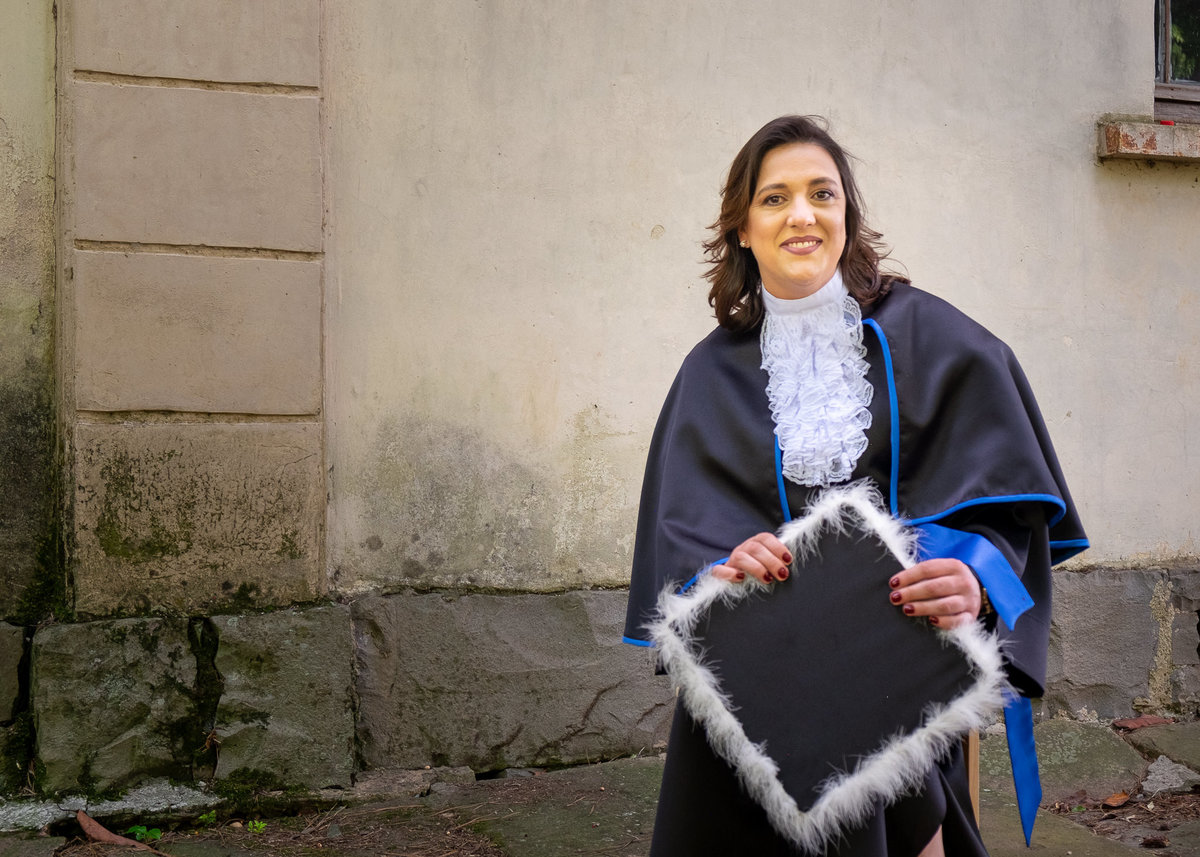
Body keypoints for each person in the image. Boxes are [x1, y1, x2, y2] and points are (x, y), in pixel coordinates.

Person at [622, 116, 1088, 856]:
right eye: (774, 198)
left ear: (847, 216)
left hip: (897, 655)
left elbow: (1009, 512)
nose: (801, 214)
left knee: (873, 710)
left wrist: (972, 577)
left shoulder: (936, 336)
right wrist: (723, 571)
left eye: (821, 194)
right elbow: (684, 556)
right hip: (762, 671)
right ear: (743, 228)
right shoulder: (707, 374)